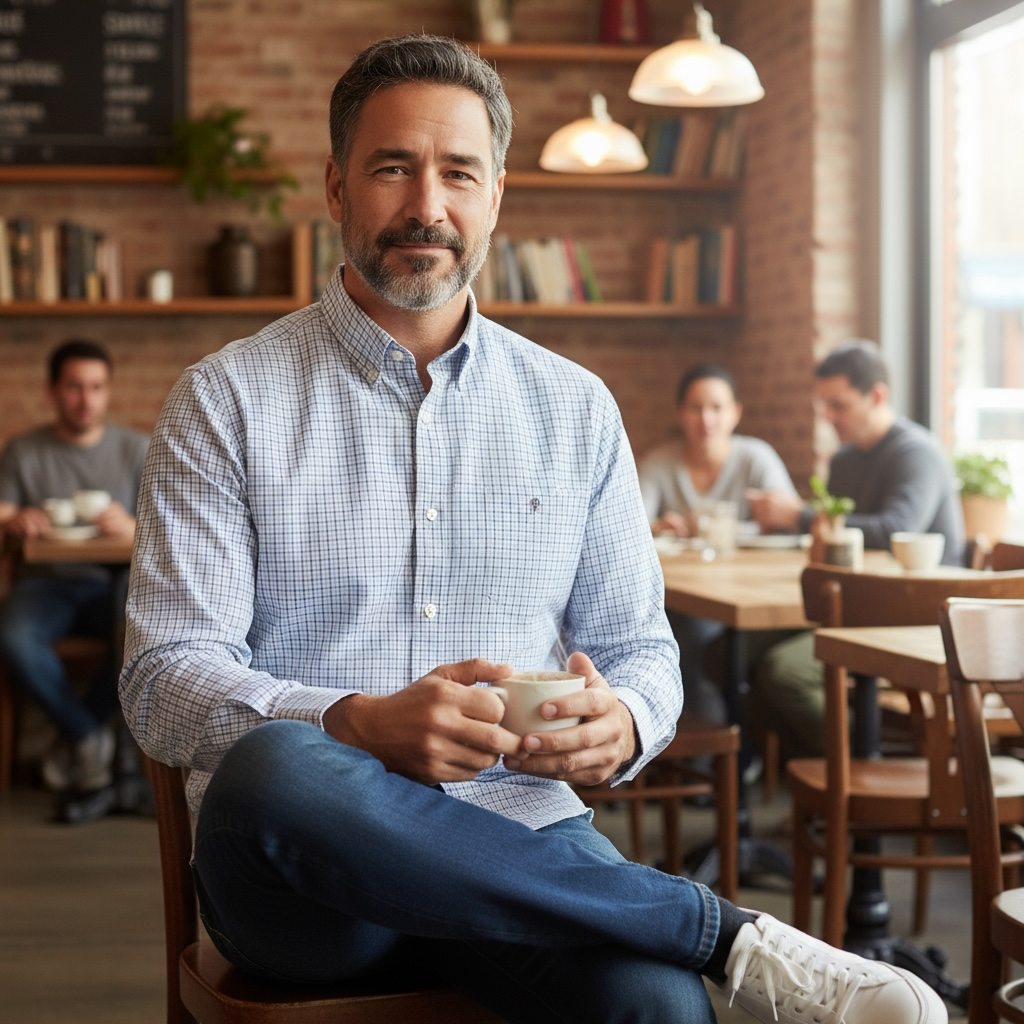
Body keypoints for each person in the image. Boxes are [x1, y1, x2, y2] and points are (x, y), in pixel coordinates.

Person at [119, 36, 946, 1024]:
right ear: (337, 188)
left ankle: (686, 951)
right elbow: (161, 676)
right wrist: (354, 721)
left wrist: (626, 722)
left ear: (497, 196)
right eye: (392, 168)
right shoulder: (222, 401)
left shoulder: (577, 409)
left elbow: (642, 650)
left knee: (659, 1010)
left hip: (524, 838)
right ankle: (724, 934)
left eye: (458, 173)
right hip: (307, 882)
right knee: (278, 763)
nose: (427, 205)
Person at [745, 338, 965, 760]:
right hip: (853, 608)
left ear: (877, 395)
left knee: (784, 673)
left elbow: (894, 530)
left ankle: (857, 763)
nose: (828, 417)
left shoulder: (917, 453)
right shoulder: (845, 460)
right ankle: (826, 770)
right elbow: (836, 535)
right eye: (823, 405)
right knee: (724, 658)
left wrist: (799, 516)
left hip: (910, 619)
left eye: (839, 405)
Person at [0, 339, 149, 819]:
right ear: (52, 391)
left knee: (142, 634)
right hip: (48, 582)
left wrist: (133, 527)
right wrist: (13, 520)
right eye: (74, 387)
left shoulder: (135, 448)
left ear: (108, 392)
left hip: (117, 582)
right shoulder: (24, 451)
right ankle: (90, 738)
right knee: (12, 636)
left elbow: (174, 524)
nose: (86, 399)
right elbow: (1, 510)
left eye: (96, 387)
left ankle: (91, 754)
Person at [638, 364, 798, 725]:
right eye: (696, 408)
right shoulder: (659, 462)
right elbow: (631, 528)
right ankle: (707, 749)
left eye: (717, 408)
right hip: (691, 596)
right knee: (688, 631)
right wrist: (659, 527)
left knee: (713, 641)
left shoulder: (756, 458)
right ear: (680, 413)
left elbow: (788, 530)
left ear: (735, 413)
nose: (706, 419)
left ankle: (731, 750)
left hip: (752, 592)